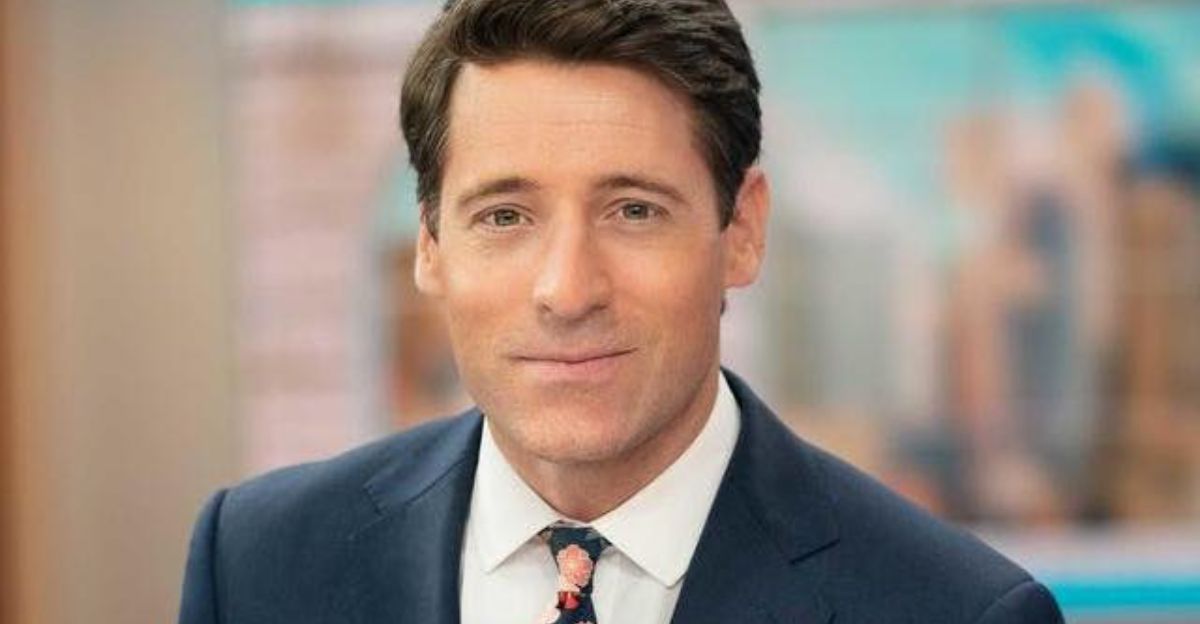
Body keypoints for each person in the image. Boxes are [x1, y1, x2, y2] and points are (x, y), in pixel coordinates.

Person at [178, 1, 1065, 622]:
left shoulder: (955, 610)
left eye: (633, 211)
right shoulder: (257, 565)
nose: (567, 290)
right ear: (430, 246)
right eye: (504, 217)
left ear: (742, 231)